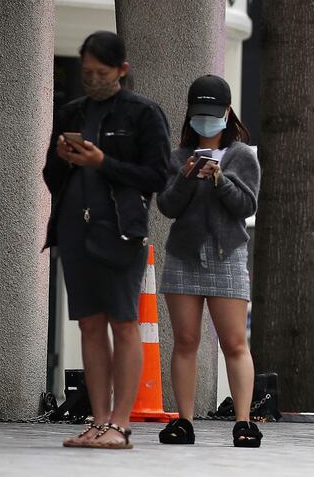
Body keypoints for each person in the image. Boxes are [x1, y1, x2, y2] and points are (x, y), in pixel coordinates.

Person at [43, 31, 171, 449]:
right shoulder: (72, 112)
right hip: (74, 228)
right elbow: (50, 176)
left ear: (122, 71)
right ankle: (98, 421)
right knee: (90, 325)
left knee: (123, 321)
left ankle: (120, 423)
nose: (92, 80)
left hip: (120, 230)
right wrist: (64, 160)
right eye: (86, 72)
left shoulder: (143, 114)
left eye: (101, 73)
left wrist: (105, 162)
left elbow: (157, 176)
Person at [156, 75, 262, 448]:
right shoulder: (177, 157)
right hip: (183, 256)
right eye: (200, 114)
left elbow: (246, 206)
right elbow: (167, 206)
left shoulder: (242, 155)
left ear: (227, 113)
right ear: (190, 114)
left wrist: (220, 179)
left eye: (213, 114)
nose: (207, 121)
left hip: (227, 255)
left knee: (234, 342)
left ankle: (244, 421)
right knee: (185, 340)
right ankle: (183, 420)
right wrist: (186, 178)